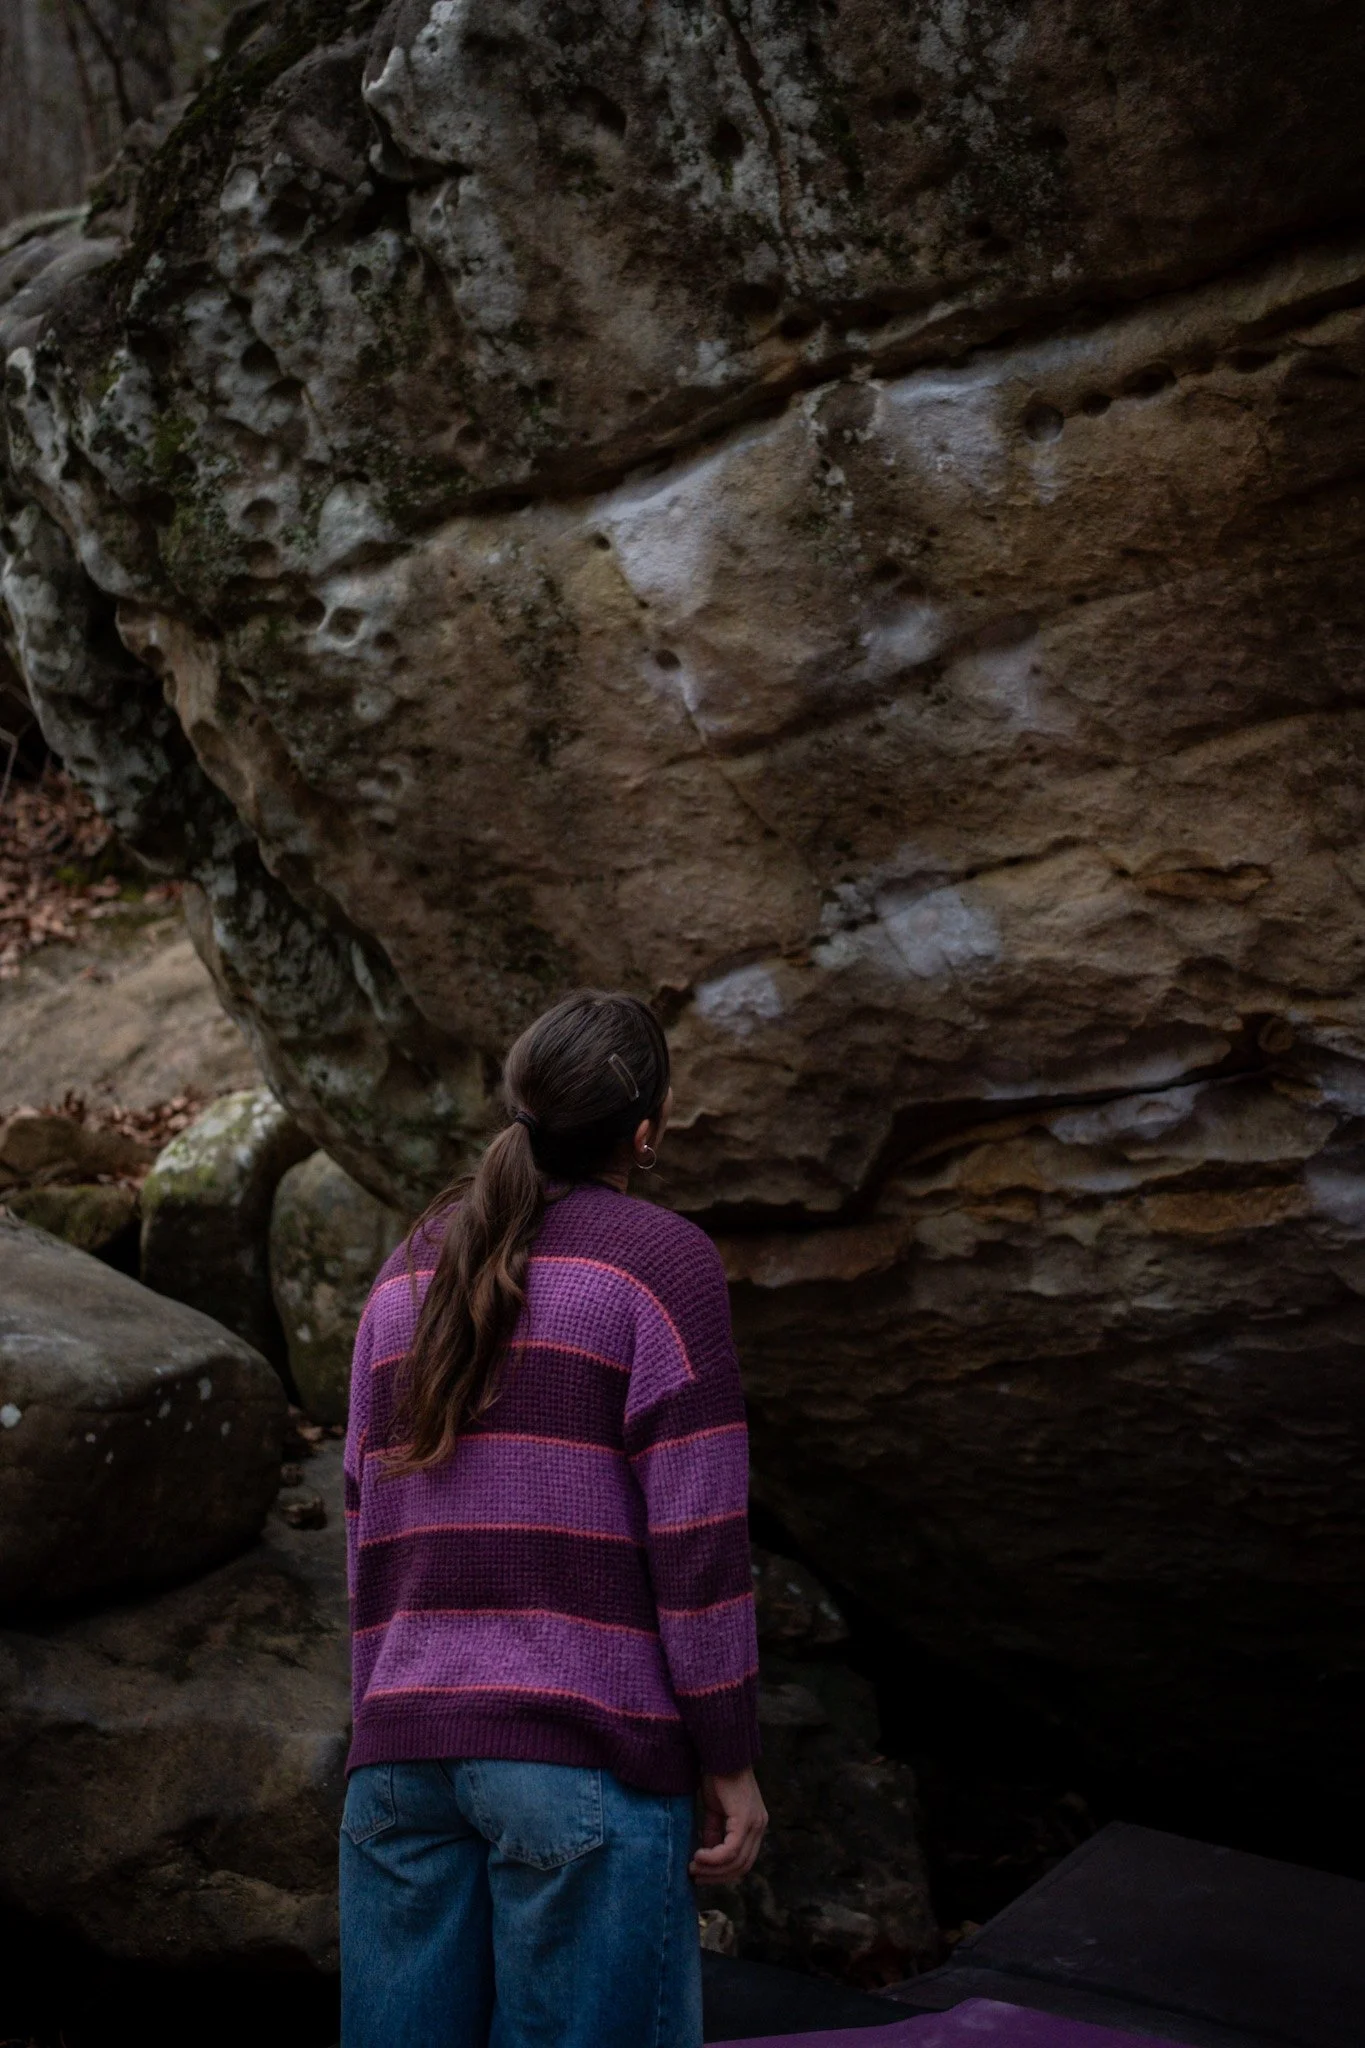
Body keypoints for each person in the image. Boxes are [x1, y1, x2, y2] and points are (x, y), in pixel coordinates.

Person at [340, 990, 767, 2048]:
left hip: (398, 1761)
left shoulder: (406, 1272)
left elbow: (363, 1526)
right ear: (646, 1129)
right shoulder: (660, 1267)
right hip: (580, 1763)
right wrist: (730, 1757)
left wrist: (378, 1719)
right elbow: (700, 1541)